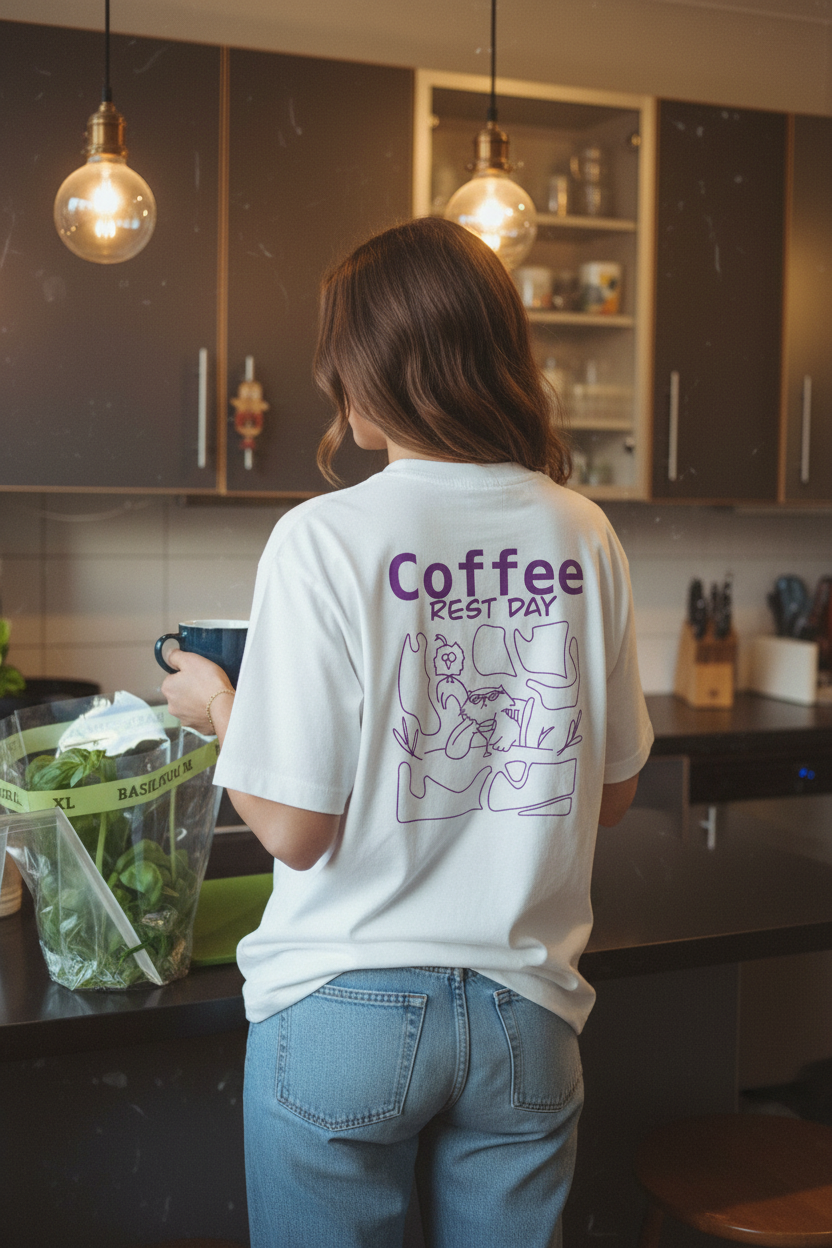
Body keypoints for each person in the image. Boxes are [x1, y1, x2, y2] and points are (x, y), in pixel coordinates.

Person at [162, 216, 654, 1248]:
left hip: (344, 1006)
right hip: (527, 1016)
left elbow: (295, 830)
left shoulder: (323, 536)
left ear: (375, 368)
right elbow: (608, 794)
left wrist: (216, 708)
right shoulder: (581, 531)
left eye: (340, 360)